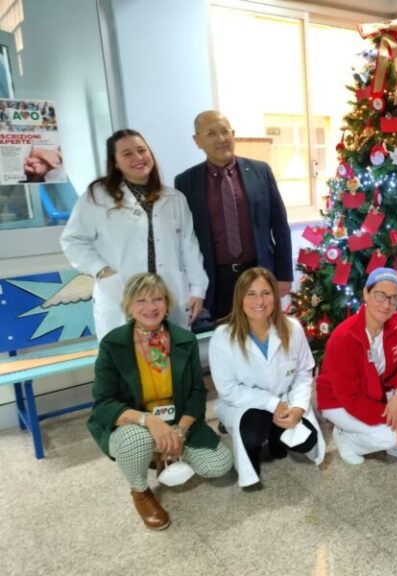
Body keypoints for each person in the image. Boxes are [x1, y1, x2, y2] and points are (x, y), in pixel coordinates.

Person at [87, 273, 233, 531]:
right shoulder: (113, 344)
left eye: (157, 299)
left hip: (178, 421)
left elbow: (197, 393)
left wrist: (180, 430)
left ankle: (162, 450)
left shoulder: (184, 340)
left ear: (166, 303)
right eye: (141, 300)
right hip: (135, 423)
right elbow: (104, 403)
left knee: (219, 464)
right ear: (129, 306)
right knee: (136, 441)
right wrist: (148, 420)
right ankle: (141, 492)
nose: (150, 307)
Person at [60, 129, 207, 340]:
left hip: (169, 296)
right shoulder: (97, 196)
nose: (138, 158)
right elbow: (72, 240)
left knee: (171, 361)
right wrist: (102, 271)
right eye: (127, 153)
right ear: (115, 162)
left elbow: (189, 246)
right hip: (120, 294)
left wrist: (197, 290)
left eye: (141, 150)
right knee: (126, 362)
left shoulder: (174, 198)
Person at [208, 267, 325, 490]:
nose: (259, 301)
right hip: (243, 405)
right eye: (251, 294)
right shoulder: (223, 337)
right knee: (252, 432)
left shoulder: (292, 328)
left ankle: (275, 435)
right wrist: (272, 404)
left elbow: (303, 373)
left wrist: (299, 408)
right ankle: (253, 450)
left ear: (275, 296)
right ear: (240, 298)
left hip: (286, 400)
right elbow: (228, 389)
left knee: (307, 441)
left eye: (266, 293)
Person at [174, 111, 293, 322]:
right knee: (226, 337)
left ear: (233, 134)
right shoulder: (186, 182)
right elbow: (185, 238)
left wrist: (284, 275)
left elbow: (280, 226)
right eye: (211, 134)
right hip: (217, 280)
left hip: (259, 272)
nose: (221, 139)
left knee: (264, 331)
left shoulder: (260, 171)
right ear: (197, 140)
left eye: (224, 132)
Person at [315, 268, 397, 467]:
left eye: (394, 298)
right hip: (339, 401)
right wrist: (396, 420)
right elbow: (351, 398)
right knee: (388, 436)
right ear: (365, 294)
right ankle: (347, 439)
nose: (386, 305)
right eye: (380, 295)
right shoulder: (344, 337)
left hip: (377, 392)